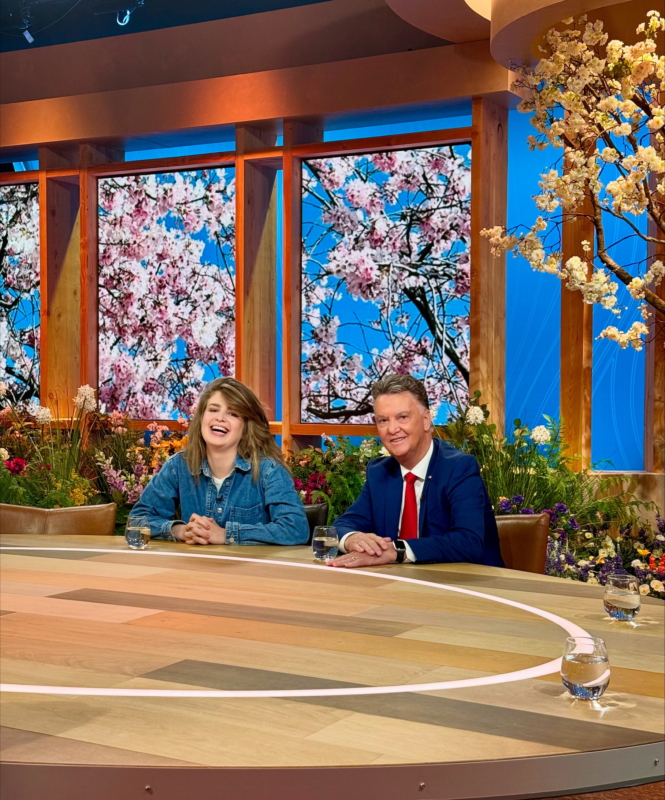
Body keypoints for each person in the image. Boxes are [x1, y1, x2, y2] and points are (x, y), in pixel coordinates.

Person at [329, 374, 504, 569]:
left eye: (402, 417)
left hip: (466, 581)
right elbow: (342, 525)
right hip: (399, 581)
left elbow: (468, 542)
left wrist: (397, 551)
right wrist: (354, 538)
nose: (392, 429)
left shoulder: (459, 468)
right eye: (383, 420)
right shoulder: (380, 472)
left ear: (426, 420)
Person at [132, 377, 309, 546]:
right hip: (194, 565)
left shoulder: (269, 471)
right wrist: (181, 530)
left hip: (251, 566)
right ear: (201, 417)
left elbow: (296, 528)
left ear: (246, 427)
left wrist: (226, 534)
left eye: (233, 413)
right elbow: (137, 520)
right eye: (213, 410)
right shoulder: (178, 466)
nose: (220, 418)